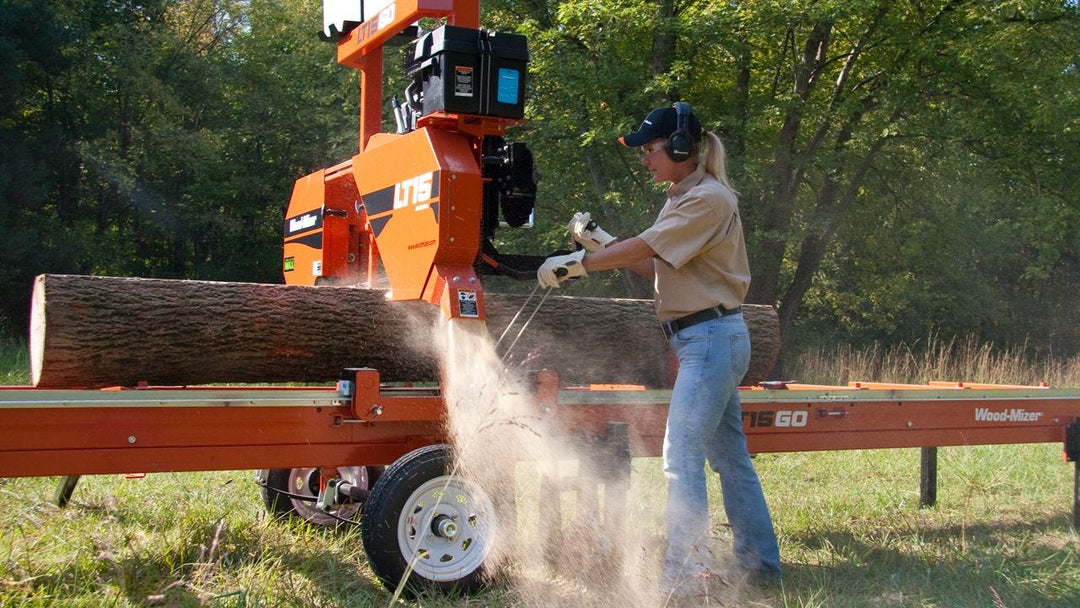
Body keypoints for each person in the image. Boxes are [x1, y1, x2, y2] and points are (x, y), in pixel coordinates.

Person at [536, 103, 782, 598]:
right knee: (730, 459)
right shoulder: (682, 197)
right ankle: (760, 567)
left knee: (681, 455)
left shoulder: (709, 199)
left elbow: (647, 249)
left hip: (710, 340)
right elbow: (660, 269)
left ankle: (688, 576)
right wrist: (604, 244)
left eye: (650, 150)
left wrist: (580, 263)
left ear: (680, 149)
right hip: (707, 339)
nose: (646, 159)